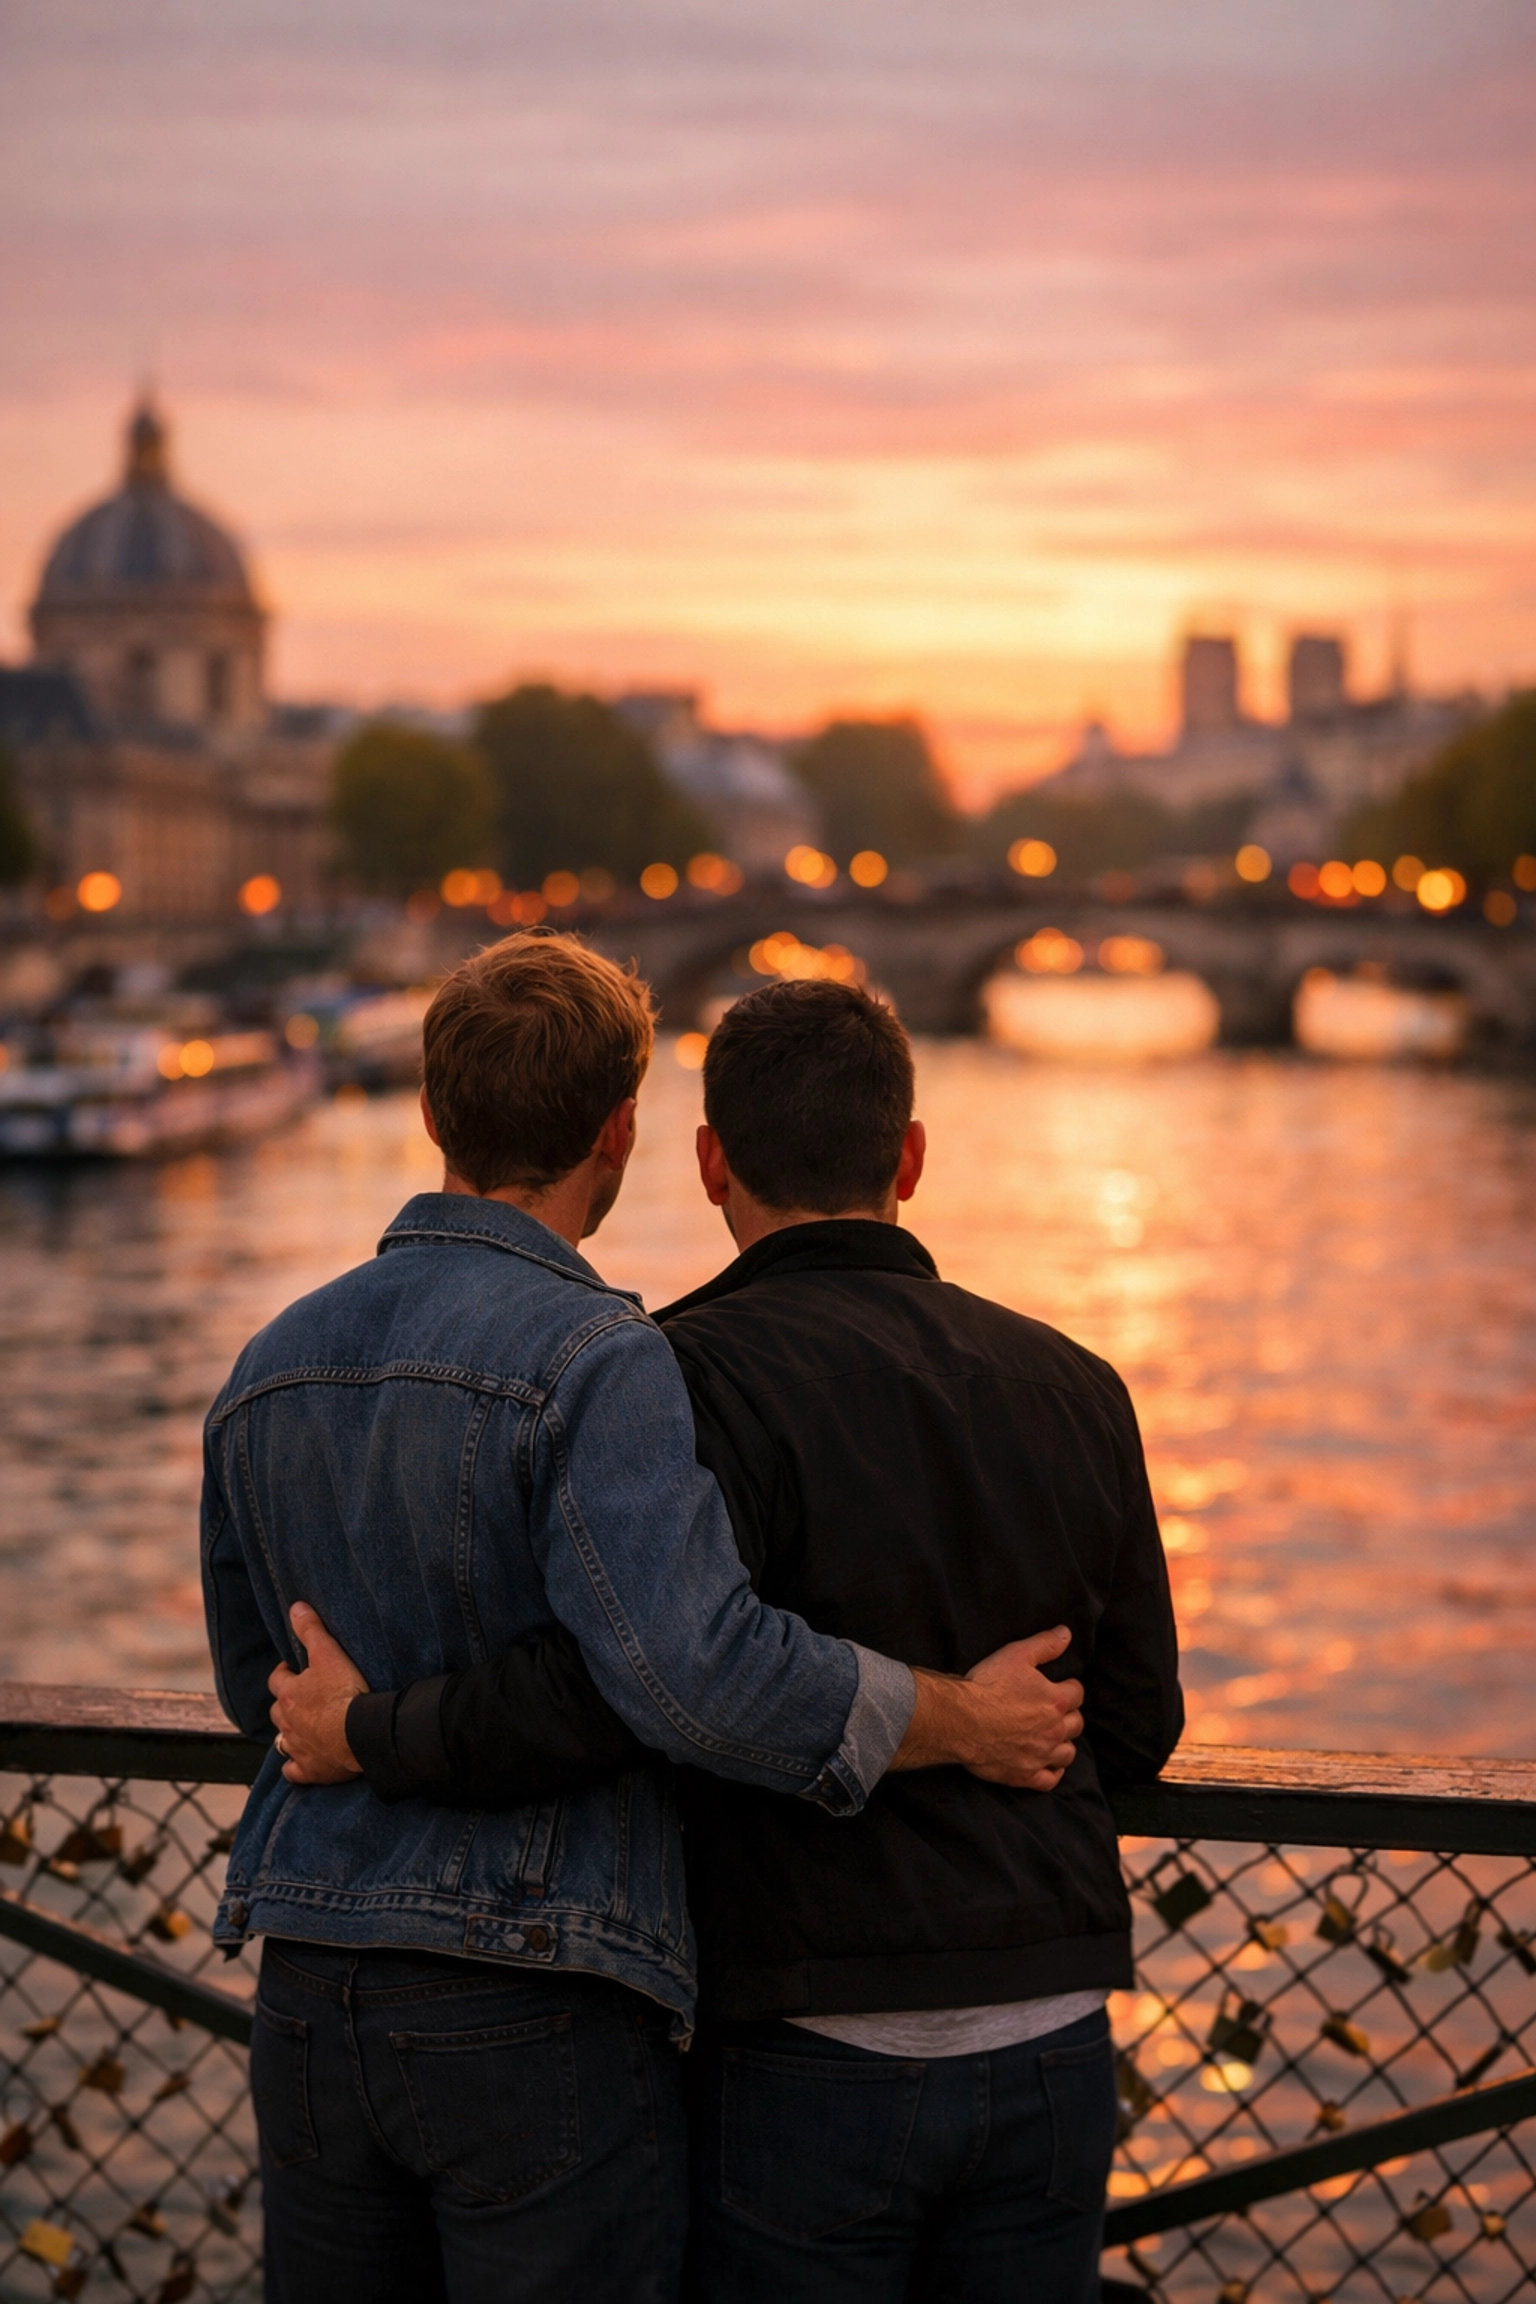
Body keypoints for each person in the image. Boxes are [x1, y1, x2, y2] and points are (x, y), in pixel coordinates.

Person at [271, 971, 1183, 2303]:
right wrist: (983, 1732)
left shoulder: (679, 1371)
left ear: (707, 1163)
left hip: (799, 2026)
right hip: (1049, 2025)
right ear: (910, 1159)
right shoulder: (1080, 1383)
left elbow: (628, 1688)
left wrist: (370, 1730)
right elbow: (1139, 1728)